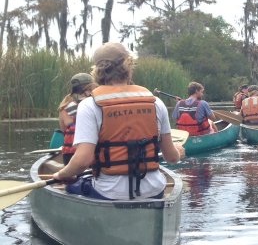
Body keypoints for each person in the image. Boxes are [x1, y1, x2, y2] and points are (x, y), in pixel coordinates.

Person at [51, 42, 185, 200]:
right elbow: (172, 157)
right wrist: (178, 152)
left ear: (97, 71)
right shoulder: (155, 102)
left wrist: (61, 174)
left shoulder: (89, 105)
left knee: (72, 186)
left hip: (109, 193)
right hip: (154, 191)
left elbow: (82, 161)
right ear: (129, 67)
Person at [57, 73, 98, 165]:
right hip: (89, 151)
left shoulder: (64, 105)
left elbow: (63, 129)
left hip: (69, 151)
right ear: (90, 87)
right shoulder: (94, 102)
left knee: (71, 178)